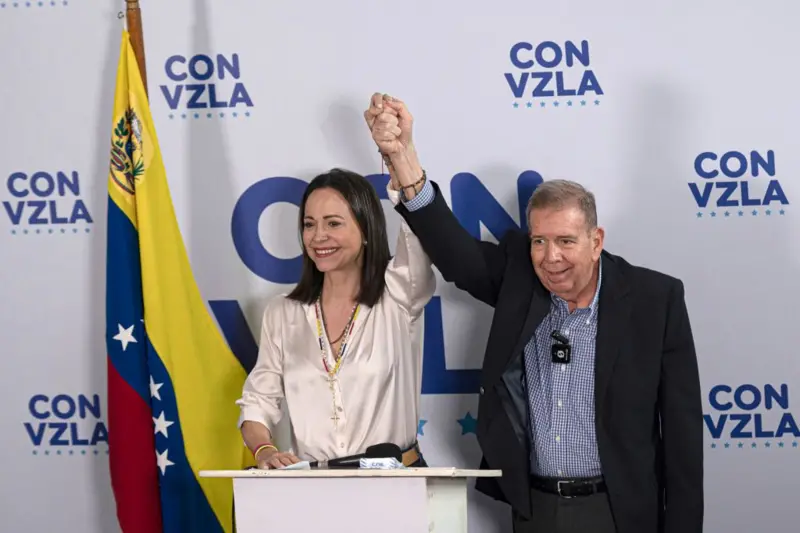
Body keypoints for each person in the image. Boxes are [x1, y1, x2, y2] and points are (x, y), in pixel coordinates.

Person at [364, 93, 703, 533]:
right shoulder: (521, 279)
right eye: (539, 241)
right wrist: (403, 158)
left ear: (596, 241)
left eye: (565, 241)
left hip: (621, 513)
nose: (550, 256)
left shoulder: (655, 300)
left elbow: (682, 440)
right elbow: (455, 254)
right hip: (535, 510)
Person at [236, 168, 436, 469]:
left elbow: (417, 238)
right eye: (309, 224)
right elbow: (258, 401)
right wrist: (264, 450)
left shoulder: (399, 293)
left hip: (396, 483)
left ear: (366, 229)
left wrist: (402, 165)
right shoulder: (283, 312)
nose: (318, 236)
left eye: (333, 223)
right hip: (313, 487)